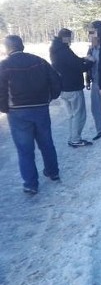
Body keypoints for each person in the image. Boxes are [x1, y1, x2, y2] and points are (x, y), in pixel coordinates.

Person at [0, 35, 62, 194]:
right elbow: (55, 79)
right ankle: (53, 171)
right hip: (40, 107)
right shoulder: (39, 61)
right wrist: (50, 97)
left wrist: (4, 108)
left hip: (17, 112)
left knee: (24, 149)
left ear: (8, 49)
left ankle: (30, 183)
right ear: (22, 46)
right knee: (46, 142)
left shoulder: (4, 65)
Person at [49, 28, 94, 147]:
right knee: (79, 114)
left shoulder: (56, 49)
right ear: (65, 37)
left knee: (71, 115)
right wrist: (91, 62)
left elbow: (73, 62)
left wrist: (83, 59)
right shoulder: (64, 50)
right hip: (73, 88)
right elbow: (79, 67)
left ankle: (72, 137)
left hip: (63, 87)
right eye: (70, 37)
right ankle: (76, 139)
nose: (71, 40)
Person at [85, 28, 101, 140]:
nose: (90, 38)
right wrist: (87, 80)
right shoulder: (91, 49)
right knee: (95, 108)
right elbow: (88, 66)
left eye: (92, 35)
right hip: (95, 82)